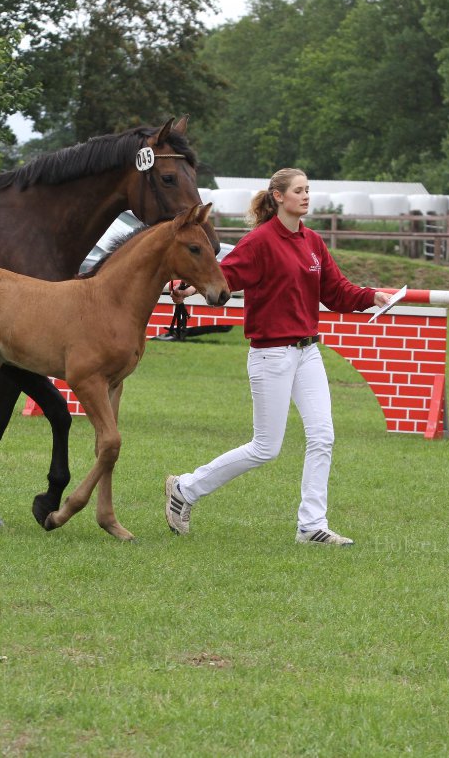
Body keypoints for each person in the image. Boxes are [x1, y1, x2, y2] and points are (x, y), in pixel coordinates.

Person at [164, 168, 389, 546]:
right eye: (298, 191)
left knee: (323, 436)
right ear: (278, 196)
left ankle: (311, 526)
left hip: (308, 353)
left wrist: (373, 297)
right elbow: (225, 275)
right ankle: (185, 489)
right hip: (271, 356)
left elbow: (336, 292)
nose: (305, 196)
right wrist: (186, 285)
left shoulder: (313, 242)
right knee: (265, 449)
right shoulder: (260, 242)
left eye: (308, 190)